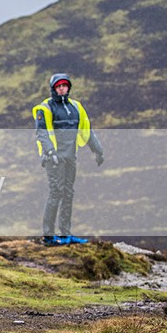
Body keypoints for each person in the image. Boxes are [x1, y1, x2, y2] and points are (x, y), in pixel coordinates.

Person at [33, 73, 104, 246]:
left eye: (64, 85)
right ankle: (48, 236)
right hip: (54, 159)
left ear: (68, 87)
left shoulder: (76, 107)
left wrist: (97, 150)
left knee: (68, 194)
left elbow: (87, 130)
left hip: (70, 157)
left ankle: (65, 235)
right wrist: (50, 153)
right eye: (58, 86)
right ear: (53, 88)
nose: (62, 88)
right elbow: (41, 133)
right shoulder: (46, 108)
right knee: (55, 193)